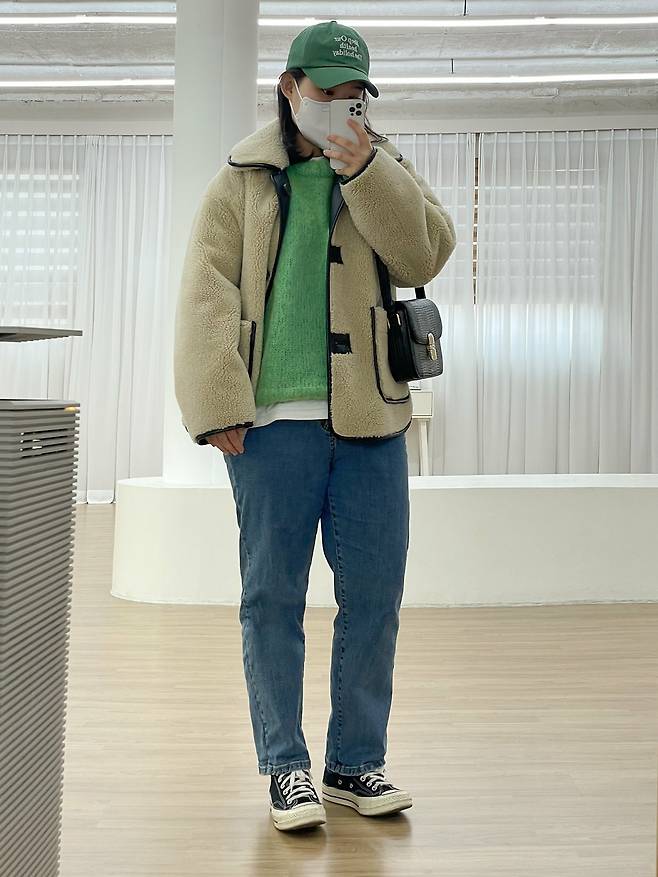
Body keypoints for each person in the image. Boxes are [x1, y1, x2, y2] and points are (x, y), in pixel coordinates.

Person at [173, 19, 456, 832]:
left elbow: (424, 254)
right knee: (272, 599)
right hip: (269, 427)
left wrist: (365, 169)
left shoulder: (384, 164)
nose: (340, 105)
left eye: (354, 94)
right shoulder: (241, 180)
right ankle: (286, 766)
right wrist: (217, 401)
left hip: (371, 418)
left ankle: (354, 762)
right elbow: (205, 293)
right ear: (289, 87)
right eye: (325, 91)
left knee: (375, 597)